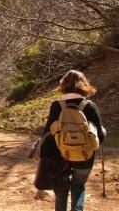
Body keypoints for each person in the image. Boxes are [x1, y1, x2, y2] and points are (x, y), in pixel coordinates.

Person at [40, 70, 105, 211]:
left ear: (63, 84)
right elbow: (99, 136)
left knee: (61, 190)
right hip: (84, 156)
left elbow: (47, 133)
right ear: (84, 84)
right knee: (78, 185)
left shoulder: (57, 105)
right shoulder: (90, 106)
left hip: (60, 157)